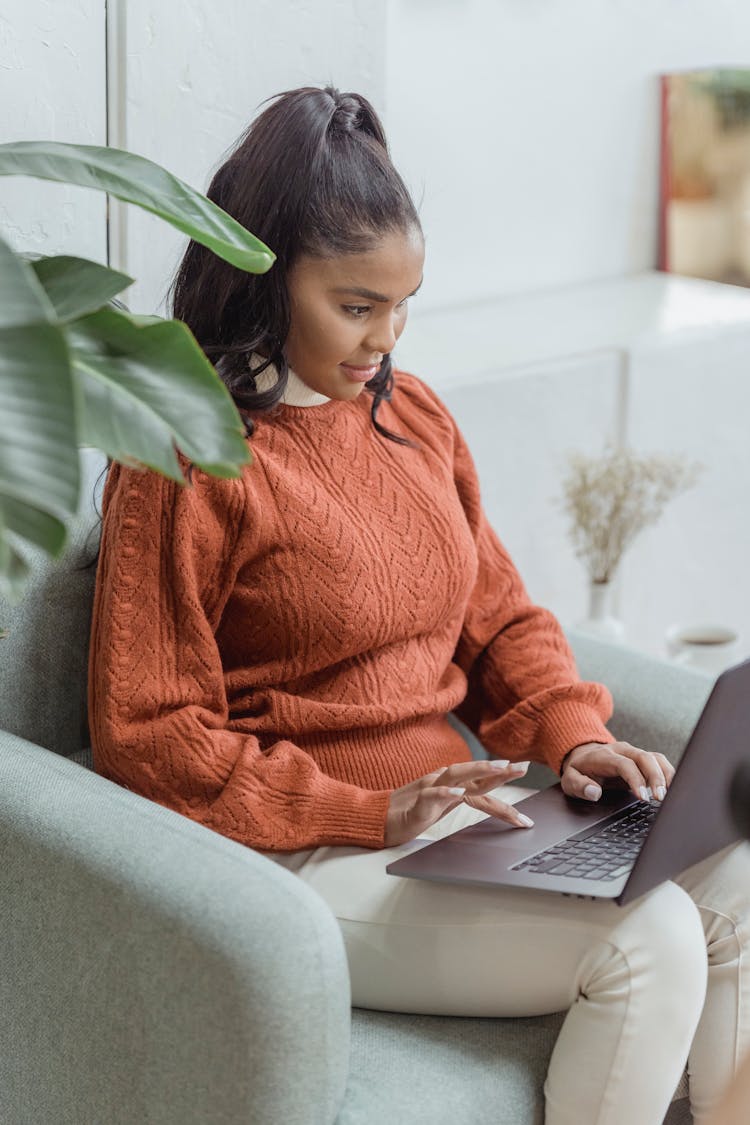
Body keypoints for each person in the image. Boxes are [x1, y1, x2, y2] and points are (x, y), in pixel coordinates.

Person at [88, 86, 750, 1125]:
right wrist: (365, 812)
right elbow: (148, 733)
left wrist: (576, 738)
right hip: (305, 858)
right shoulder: (182, 458)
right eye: (356, 307)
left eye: (404, 306)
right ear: (260, 279)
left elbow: (500, 620)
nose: (384, 340)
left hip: (464, 830)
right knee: (650, 936)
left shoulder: (412, 415)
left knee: (738, 876)